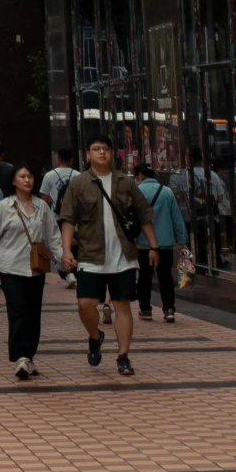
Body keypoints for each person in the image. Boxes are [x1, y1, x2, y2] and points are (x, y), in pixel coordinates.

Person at [59, 134, 158, 376]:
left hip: (123, 255)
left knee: (123, 305)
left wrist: (154, 247)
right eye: (96, 148)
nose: (101, 152)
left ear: (112, 153)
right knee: (85, 304)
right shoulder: (79, 183)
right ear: (88, 154)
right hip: (90, 255)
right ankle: (95, 336)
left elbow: (144, 215)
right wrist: (65, 250)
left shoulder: (126, 182)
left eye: (105, 148)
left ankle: (123, 356)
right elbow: (68, 219)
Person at [0, 163, 61, 379]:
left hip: (35, 269)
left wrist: (64, 258)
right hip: (10, 267)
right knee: (17, 310)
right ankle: (20, 357)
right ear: (13, 181)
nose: (27, 180)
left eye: (30, 176)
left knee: (33, 313)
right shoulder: (5, 206)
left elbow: (53, 236)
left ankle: (29, 355)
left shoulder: (42, 207)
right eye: (22, 176)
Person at [137, 162, 187, 323]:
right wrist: (182, 240)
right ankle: (169, 309)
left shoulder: (136, 191)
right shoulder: (167, 192)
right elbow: (176, 218)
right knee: (165, 275)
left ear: (140, 176)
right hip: (165, 242)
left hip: (143, 242)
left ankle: (145, 309)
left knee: (144, 276)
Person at [39, 148, 79, 215]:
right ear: (71, 160)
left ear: (58, 159)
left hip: (55, 217)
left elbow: (44, 198)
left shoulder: (49, 175)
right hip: (74, 216)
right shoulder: (78, 175)